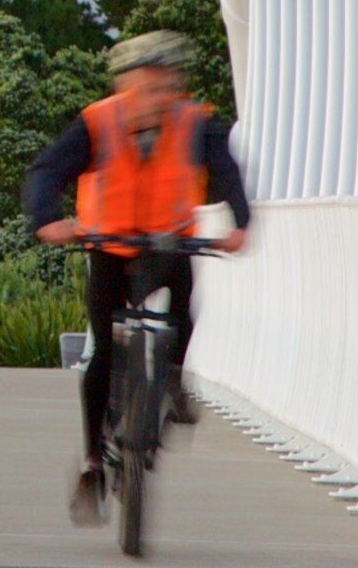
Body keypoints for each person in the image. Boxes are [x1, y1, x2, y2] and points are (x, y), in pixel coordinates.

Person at [24, 27, 249, 524]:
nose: (158, 95)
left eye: (167, 84)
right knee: (104, 352)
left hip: (169, 243)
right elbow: (46, 172)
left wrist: (240, 221)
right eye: (147, 84)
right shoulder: (97, 124)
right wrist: (46, 220)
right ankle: (91, 463)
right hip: (111, 247)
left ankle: (172, 383)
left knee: (184, 315)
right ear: (125, 84)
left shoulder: (196, 124)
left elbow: (226, 171)